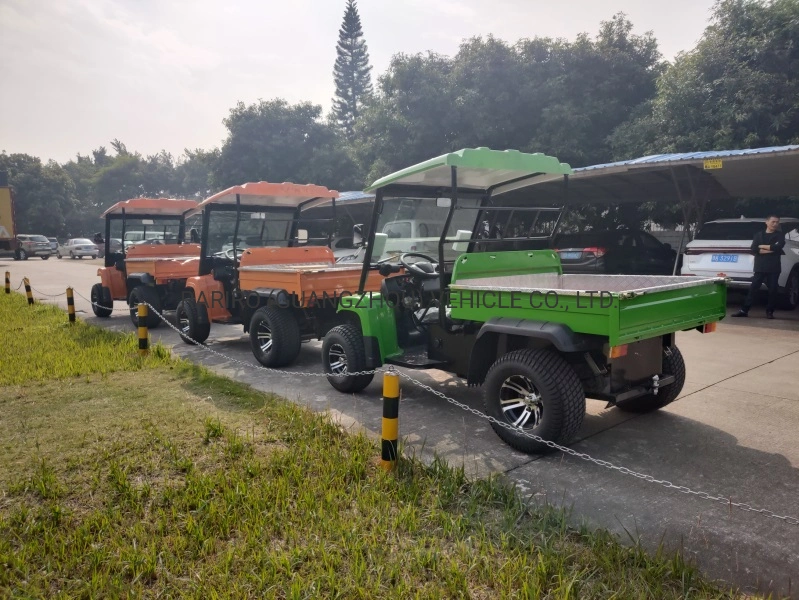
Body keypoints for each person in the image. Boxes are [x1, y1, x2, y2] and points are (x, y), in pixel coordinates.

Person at [732, 215, 785, 319]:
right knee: (753, 289)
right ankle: (744, 310)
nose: (775, 224)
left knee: (773, 290)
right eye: (773, 222)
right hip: (760, 267)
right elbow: (754, 248)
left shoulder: (779, 235)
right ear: (767, 222)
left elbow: (778, 247)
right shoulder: (758, 235)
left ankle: (770, 311)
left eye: (777, 222)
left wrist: (762, 246)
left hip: (773, 267)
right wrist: (769, 249)